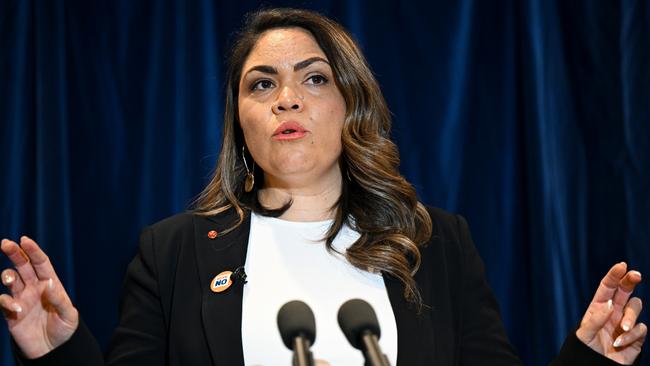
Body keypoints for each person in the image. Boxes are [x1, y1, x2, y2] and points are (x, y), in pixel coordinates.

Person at [0, 7, 646, 366]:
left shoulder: (435, 242)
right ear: (240, 122)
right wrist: (60, 355)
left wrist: (589, 365)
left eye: (313, 79)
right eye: (261, 84)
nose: (286, 99)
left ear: (350, 105)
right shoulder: (173, 253)